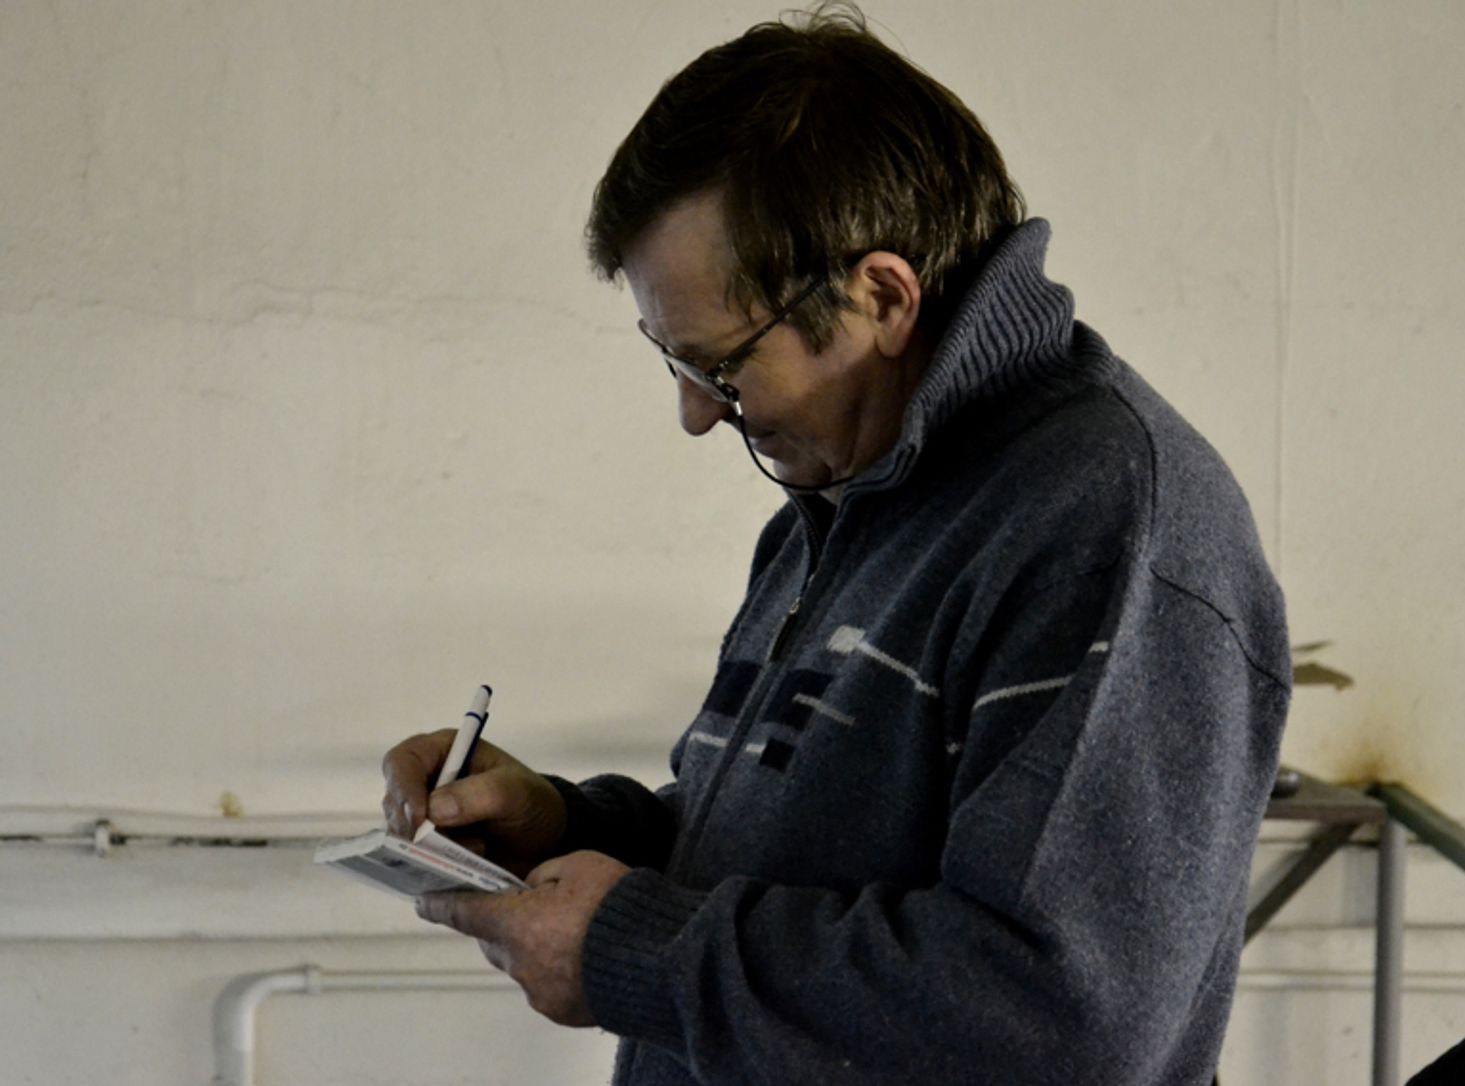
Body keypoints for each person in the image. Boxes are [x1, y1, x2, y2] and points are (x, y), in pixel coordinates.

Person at [383, 6, 1290, 1083]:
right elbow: (790, 853)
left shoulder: (1109, 525)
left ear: (883, 296)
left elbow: (1059, 1017)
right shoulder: (843, 498)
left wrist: (641, 954)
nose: (697, 414)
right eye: (673, 362)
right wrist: (568, 829)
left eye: (721, 366)